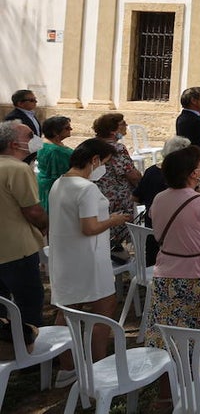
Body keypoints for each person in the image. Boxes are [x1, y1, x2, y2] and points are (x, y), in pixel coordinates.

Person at [48, 139, 133, 362]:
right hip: (89, 256)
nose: (103, 169)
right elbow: (89, 227)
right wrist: (113, 220)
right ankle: (98, 362)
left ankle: (66, 366)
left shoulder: (60, 183)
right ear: (94, 160)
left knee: (68, 308)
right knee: (105, 307)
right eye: (103, 163)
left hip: (67, 255)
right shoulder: (86, 188)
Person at [144, 146, 200, 365]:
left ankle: (169, 386)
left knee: (171, 332)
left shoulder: (159, 198)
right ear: (193, 173)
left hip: (166, 273)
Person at [0, 121, 47, 349]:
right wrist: (45, 226)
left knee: (1, 305)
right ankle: (29, 351)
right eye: (30, 135)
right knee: (29, 302)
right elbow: (33, 211)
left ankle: (7, 345)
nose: (34, 139)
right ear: (13, 143)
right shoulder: (18, 169)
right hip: (17, 250)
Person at [133, 136, 191, 267]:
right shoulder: (179, 177)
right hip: (173, 238)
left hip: (151, 231)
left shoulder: (151, 171)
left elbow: (136, 197)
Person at [91, 112, 142, 248]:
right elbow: (131, 174)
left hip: (96, 191)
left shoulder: (91, 144)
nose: (126, 126)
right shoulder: (117, 148)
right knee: (115, 230)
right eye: (122, 124)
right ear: (112, 130)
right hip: (116, 195)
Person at [35, 115, 73, 215]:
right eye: (67, 128)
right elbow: (63, 172)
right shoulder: (56, 151)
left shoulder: (44, 144)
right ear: (55, 132)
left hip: (43, 184)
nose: (71, 129)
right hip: (55, 187)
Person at [4, 90, 41, 165]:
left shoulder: (31, 114)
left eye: (35, 100)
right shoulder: (13, 117)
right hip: (21, 158)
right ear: (20, 103)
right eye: (31, 100)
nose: (35, 102)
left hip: (32, 156)